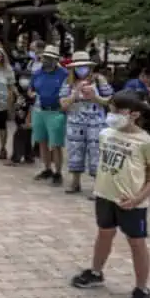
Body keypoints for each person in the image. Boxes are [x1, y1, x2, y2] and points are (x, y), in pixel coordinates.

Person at [71, 91, 150, 298]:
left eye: (118, 110)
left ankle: (142, 289)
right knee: (104, 233)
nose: (112, 114)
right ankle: (95, 272)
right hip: (104, 196)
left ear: (135, 114)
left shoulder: (147, 142)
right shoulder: (106, 133)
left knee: (136, 243)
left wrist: (137, 198)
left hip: (132, 203)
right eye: (111, 109)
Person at [61, 51, 114, 196]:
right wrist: (75, 93)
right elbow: (63, 105)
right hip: (75, 123)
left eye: (84, 66)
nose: (81, 69)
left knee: (96, 152)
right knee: (75, 151)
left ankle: (97, 187)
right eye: (78, 66)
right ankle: (75, 182)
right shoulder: (68, 82)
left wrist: (95, 97)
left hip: (96, 122)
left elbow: (110, 100)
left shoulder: (99, 80)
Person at [30, 45, 69, 185]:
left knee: (56, 144)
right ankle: (47, 168)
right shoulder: (37, 73)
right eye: (45, 57)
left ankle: (58, 172)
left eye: (50, 58)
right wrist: (32, 94)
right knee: (42, 142)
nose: (47, 60)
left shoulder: (64, 74)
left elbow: (67, 92)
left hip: (56, 111)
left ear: (56, 59)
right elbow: (31, 89)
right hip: (39, 110)